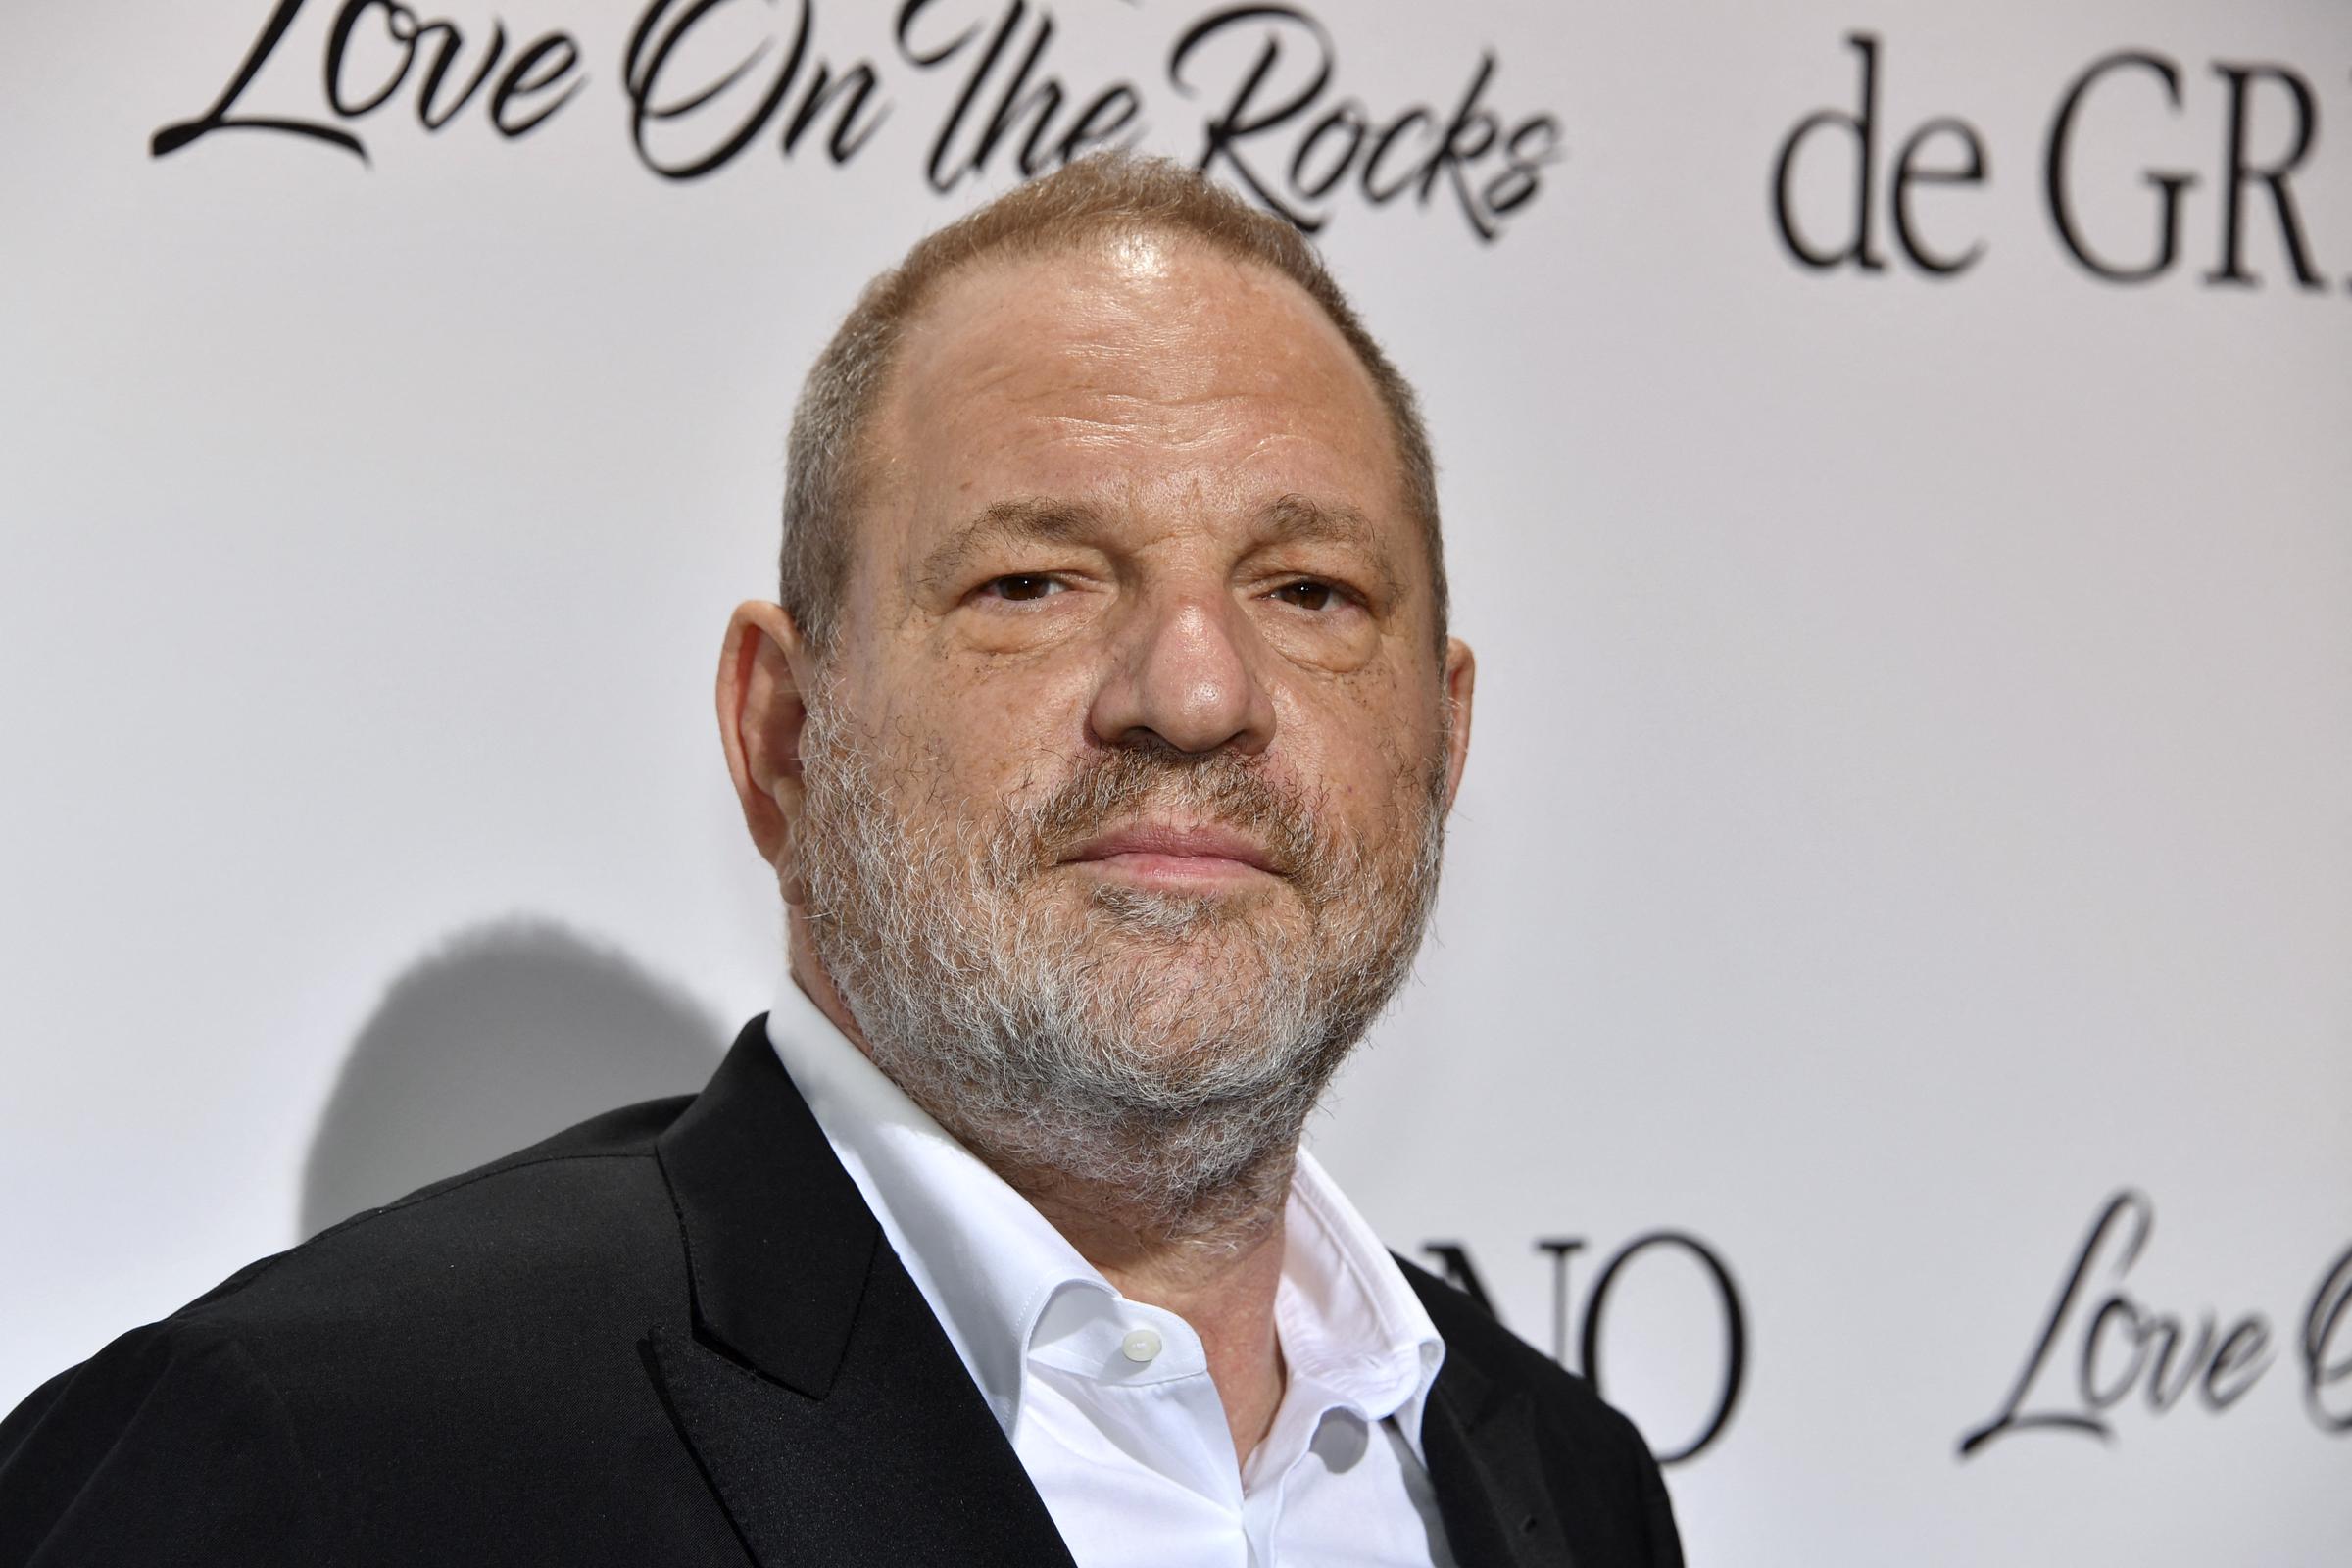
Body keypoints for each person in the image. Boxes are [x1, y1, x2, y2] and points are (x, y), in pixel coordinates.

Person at [0, 154, 1681, 1566]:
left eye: (1310, 590)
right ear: (787, 737)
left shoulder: (1565, 1490)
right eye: (1036, 582)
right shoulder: (316, 1458)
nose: (1194, 691)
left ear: (1442, 746)